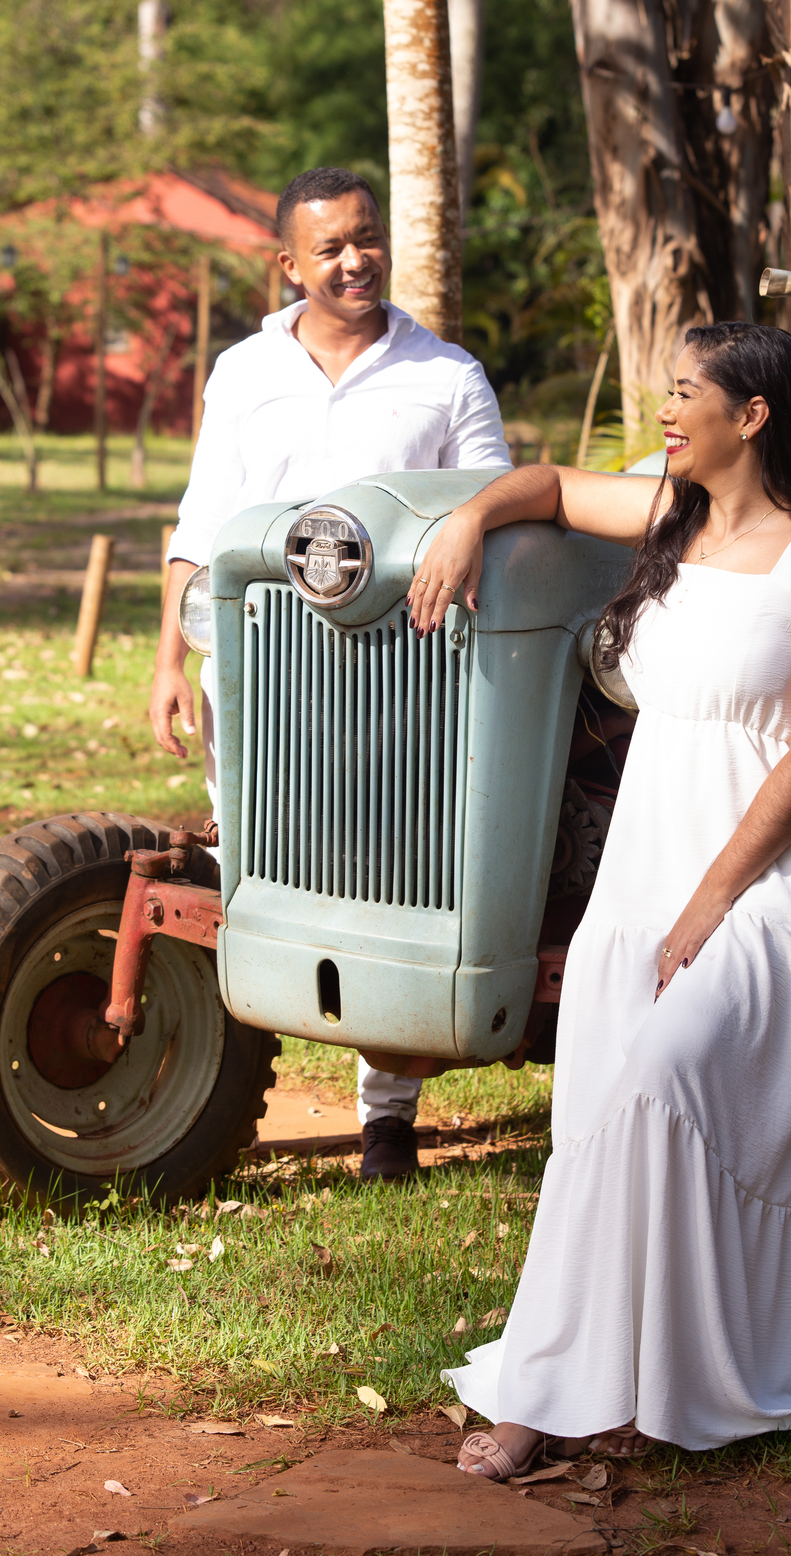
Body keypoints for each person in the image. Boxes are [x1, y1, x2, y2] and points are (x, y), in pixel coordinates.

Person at [408, 321, 791, 1462]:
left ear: (754, 415)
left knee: (665, 1076)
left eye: (687, 394)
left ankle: (657, 1379)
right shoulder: (670, 514)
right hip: (647, 863)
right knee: (603, 1108)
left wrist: (711, 903)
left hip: (778, 878)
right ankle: (569, 1385)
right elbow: (542, 483)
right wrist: (469, 519)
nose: (667, 413)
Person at [150, 166, 511, 1182]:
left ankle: (387, 1116)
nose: (356, 261)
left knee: (384, 872)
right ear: (289, 265)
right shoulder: (243, 372)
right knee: (254, 861)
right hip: (255, 664)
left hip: (398, 675)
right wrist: (170, 659)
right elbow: (202, 521)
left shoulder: (447, 375)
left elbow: (498, 509)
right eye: (331, 248)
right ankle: (216, 1090)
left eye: (367, 238)